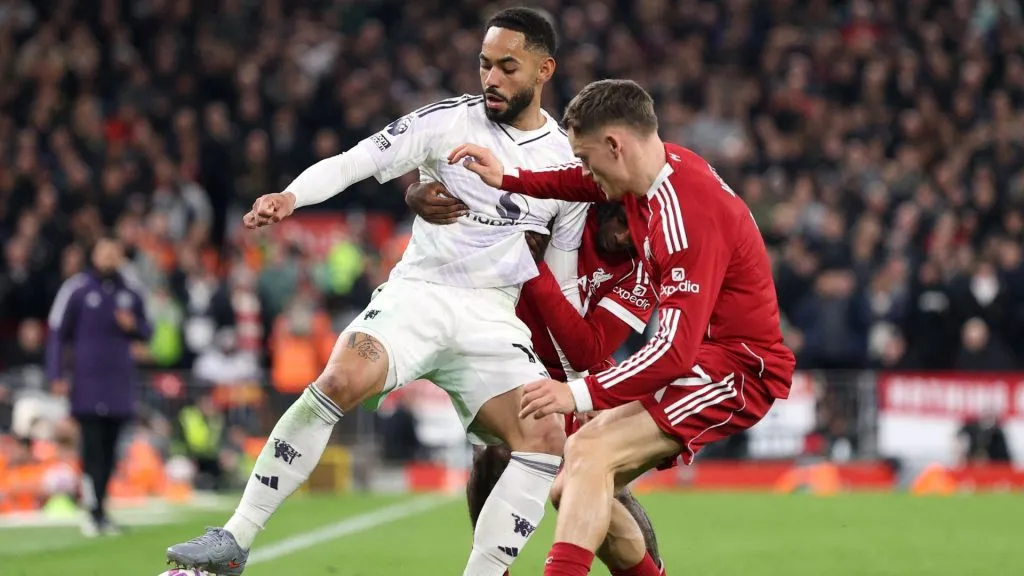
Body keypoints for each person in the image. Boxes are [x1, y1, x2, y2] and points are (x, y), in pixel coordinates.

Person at [168, 9, 591, 576]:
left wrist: (574, 383)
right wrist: (292, 198)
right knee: (341, 376)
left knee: (544, 431)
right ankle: (234, 539)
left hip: (493, 313)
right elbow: (358, 160)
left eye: (507, 67)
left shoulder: (566, 166)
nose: (491, 78)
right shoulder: (446, 122)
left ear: (545, 69)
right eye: (484, 64)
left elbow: (561, 286)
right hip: (420, 291)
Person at [450, 78, 796, 575]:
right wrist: (507, 178)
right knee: (572, 486)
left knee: (590, 453)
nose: (587, 173)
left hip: (737, 368)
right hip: (702, 356)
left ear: (616, 145)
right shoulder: (649, 174)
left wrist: (581, 393)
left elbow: (673, 352)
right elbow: (574, 180)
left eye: (589, 158)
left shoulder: (686, 218)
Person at [407, 182, 665, 576]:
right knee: (492, 455)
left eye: (640, 234)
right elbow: (482, 194)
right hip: (520, 362)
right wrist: (413, 195)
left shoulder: (642, 271)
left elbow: (587, 350)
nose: (627, 237)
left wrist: (535, 270)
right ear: (610, 207)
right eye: (627, 223)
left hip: (584, 377)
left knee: (603, 482)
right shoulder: (561, 212)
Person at [45, 236, 152, 537]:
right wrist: (55, 375)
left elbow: (149, 331)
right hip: (87, 383)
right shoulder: (76, 289)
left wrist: (134, 327)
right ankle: (92, 510)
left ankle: (101, 509)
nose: (108, 257)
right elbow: (57, 333)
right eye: (103, 252)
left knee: (111, 449)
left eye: (113, 252)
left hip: (119, 383)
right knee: (91, 447)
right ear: (93, 255)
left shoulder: (131, 292)